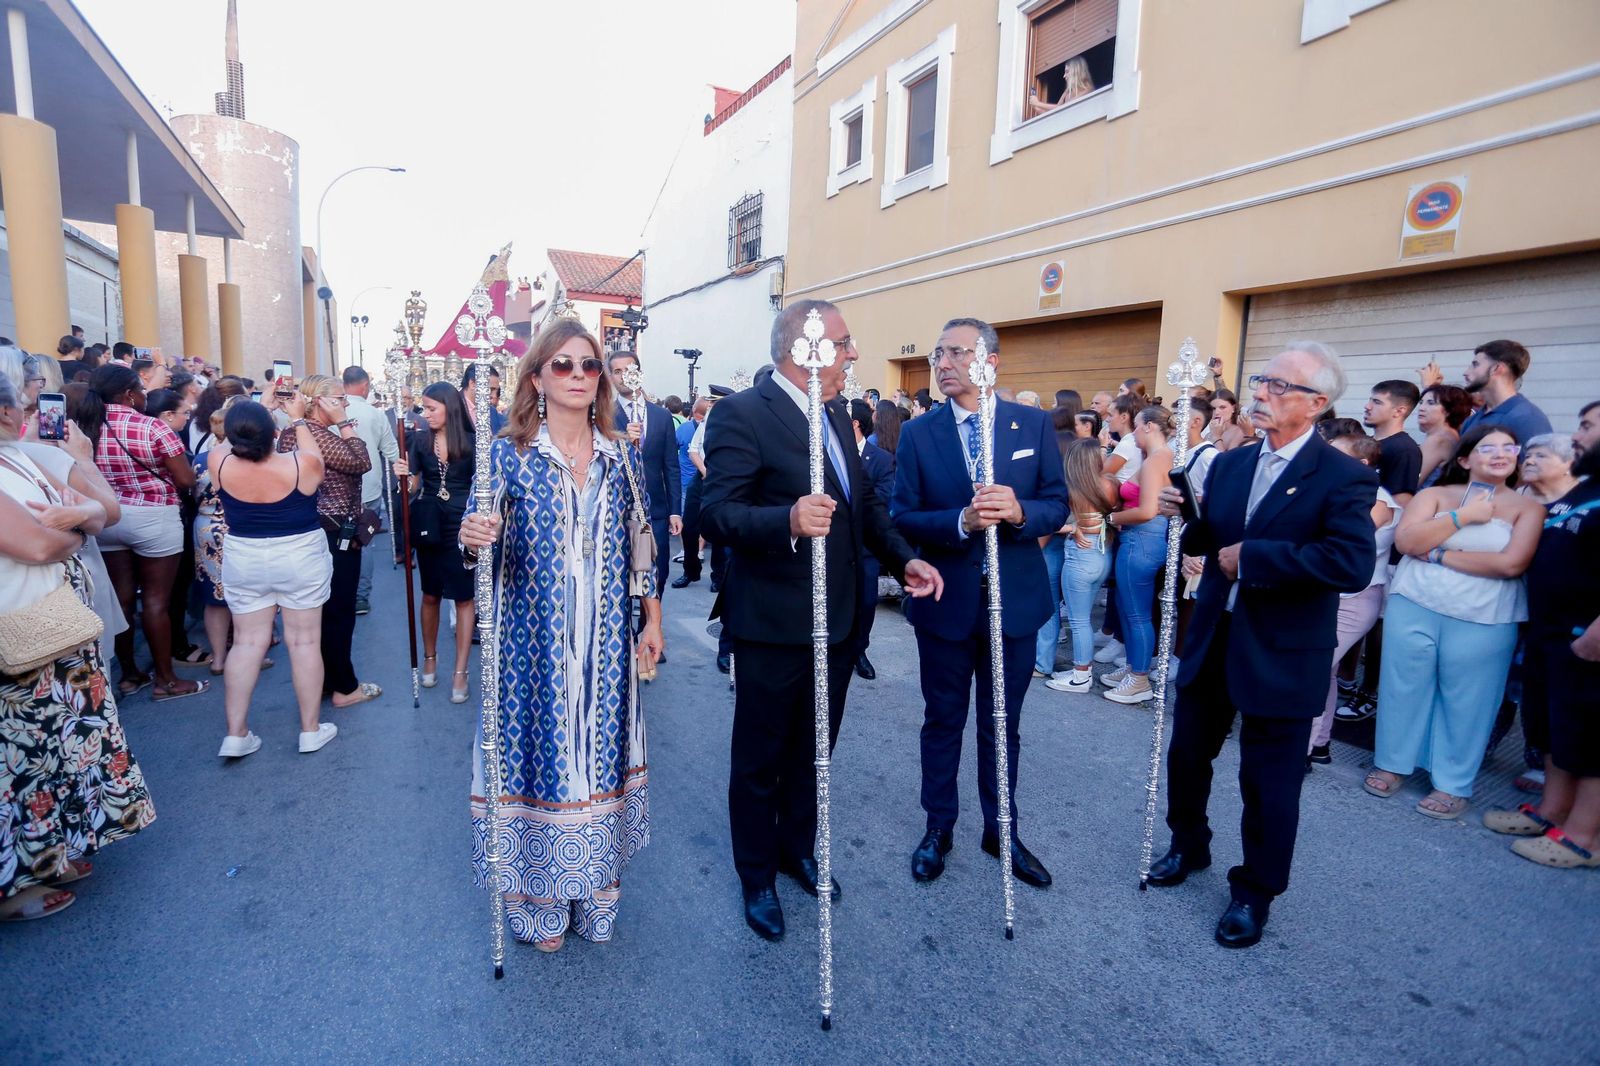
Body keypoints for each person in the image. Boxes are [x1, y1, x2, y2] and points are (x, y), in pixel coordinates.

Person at [701, 300, 938, 941]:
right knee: (760, 758)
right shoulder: (742, 414)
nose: (853, 353)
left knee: (815, 750)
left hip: (839, 621)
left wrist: (905, 560)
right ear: (800, 348)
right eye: (844, 342)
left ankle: (796, 849)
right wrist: (785, 519)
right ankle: (756, 876)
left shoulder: (834, 413)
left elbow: (864, 507)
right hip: (773, 623)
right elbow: (715, 513)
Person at [1148, 341, 1377, 949]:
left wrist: (1255, 558)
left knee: (1269, 781)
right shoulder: (1233, 463)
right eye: (1261, 382)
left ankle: (1255, 891)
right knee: (1187, 755)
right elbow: (1212, 538)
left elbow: (1350, 564)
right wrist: (1184, 516)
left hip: (1282, 650)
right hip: (1215, 635)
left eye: (1279, 386)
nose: (1261, 394)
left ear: (1317, 403)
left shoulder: (1345, 477)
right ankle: (1188, 844)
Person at [457, 318, 664, 951]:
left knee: (600, 756)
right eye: (564, 365)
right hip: (531, 645)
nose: (578, 375)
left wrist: (653, 619)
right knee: (539, 760)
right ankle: (540, 903)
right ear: (537, 378)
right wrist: (474, 537)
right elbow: (476, 543)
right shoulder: (506, 454)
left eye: (589, 365)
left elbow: (640, 543)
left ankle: (595, 892)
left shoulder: (621, 456)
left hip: (607, 642)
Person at [893, 316, 1067, 890]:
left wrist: (1019, 513)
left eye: (956, 353)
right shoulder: (920, 433)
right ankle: (938, 827)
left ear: (990, 361)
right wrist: (960, 521)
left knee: (1002, 723)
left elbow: (1057, 503)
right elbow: (903, 515)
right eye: (938, 354)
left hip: (1013, 603)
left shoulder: (1031, 424)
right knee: (943, 720)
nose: (943, 364)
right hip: (946, 601)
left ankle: (1002, 830)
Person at [0, 368, 154, 923]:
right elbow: (40, 545)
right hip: (19, 627)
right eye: (20, 402)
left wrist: (73, 520)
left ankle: (47, 855)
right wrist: (74, 529)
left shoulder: (18, 457)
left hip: (58, 625)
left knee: (53, 751)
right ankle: (15, 881)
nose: (26, 412)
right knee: (19, 760)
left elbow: (99, 511)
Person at [1365, 426, 1542, 818]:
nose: (1500, 454)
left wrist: (1439, 554)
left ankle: (1452, 783)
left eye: (1509, 447)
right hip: (1415, 602)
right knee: (1403, 687)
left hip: (1486, 615)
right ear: (1465, 458)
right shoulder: (1434, 495)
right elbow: (1408, 542)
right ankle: (1391, 763)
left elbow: (1510, 564)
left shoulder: (1527, 507)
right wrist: (1463, 517)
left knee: (1471, 700)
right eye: (1488, 447)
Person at [1483, 402, 1600, 868]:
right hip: (1551, 634)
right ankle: (1553, 812)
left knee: (1591, 741)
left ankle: (1584, 838)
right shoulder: (1585, 487)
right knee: (1556, 731)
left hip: (1587, 638)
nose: (1577, 435)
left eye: (1587, 426)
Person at [211, 400, 336, 756]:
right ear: (272, 433)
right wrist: (297, 418)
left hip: (245, 555)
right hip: (299, 553)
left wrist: (253, 408)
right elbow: (315, 455)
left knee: (247, 643)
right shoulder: (299, 464)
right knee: (304, 642)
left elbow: (228, 438)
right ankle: (310, 730)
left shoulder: (219, 461)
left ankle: (236, 734)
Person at [89, 365, 207, 701]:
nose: (144, 395)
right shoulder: (152, 426)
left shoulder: (87, 425)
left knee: (122, 600)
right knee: (156, 600)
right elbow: (185, 479)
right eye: (140, 390)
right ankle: (166, 680)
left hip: (107, 517)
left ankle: (129, 674)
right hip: (154, 516)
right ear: (129, 395)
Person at [277, 374, 380, 709]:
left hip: (314, 530)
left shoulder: (295, 432)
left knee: (320, 612)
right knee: (338, 610)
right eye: (339, 398)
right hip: (333, 532)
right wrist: (345, 423)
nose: (345, 403)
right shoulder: (314, 434)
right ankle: (344, 687)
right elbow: (361, 461)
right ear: (318, 401)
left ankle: (324, 680)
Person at [1305, 429, 1399, 767]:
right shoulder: (1337, 491)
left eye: (1335, 454)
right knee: (1323, 671)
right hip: (1329, 594)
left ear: (1362, 463)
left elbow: (1339, 541)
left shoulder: (1379, 500)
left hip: (1355, 599)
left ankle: (1300, 749)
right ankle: (1319, 743)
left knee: (1311, 669)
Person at [394, 381, 476, 702]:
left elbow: (482, 486)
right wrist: (403, 477)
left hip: (462, 523)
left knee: (463, 597)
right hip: (429, 520)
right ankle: (429, 657)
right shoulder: (418, 440)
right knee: (430, 594)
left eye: (431, 408)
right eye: (424, 408)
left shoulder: (472, 441)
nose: (425, 414)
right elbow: (413, 488)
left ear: (449, 408)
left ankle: (460, 671)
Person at [1099, 406, 1174, 704]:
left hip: (1142, 539)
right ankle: (1134, 668)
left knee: (1136, 612)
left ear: (1149, 427)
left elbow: (1147, 510)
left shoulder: (1157, 459)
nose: (1133, 433)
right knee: (1128, 607)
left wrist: (1111, 519)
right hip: (1141, 538)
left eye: (1137, 426)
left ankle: (1140, 678)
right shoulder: (1157, 457)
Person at [608, 351, 682, 611]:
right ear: (610, 377)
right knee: (619, 575)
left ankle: (649, 626)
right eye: (617, 371)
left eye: (628, 370)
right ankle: (623, 627)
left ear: (638, 372)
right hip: (615, 509)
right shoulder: (603, 415)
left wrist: (675, 510)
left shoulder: (661, 416)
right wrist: (621, 440)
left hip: (655, 510)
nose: (623, 376)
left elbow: (671, 466)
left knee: (657, 572)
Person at [1044, 438, 1116, 693]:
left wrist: (1072, 527)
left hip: (1080, 554)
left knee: (1079, 620)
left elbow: (1048, 521)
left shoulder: (1071, 489)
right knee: (1082, 619)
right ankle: (1082, 671)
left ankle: (1081, 675)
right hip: (1103, 552)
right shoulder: (1111, 484)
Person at [342, 366, 399, 616]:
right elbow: (391, 450)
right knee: (364, 542)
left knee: (339, 541)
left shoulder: (332, 410)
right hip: (369, 487)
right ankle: (361, 597)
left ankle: (341, 592)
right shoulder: (375, 414)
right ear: (364, 386)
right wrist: (403, 475)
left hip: (338, 489)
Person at [850, 397, 896, 680]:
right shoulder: (826, 454)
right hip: (833, 545)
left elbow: (882, 497)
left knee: (866, 603)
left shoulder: (881, 458)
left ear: (855, 424)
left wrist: (847, 503)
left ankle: (859, 650)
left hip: (866, 546)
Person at [1456, 339, 1553, 442]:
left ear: (1496, 368)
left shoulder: (1528, 419)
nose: (1466, 372)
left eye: (1475, 364)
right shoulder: (1473, 420)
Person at [1362, 379, 1422, 505]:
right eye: (1370, 400)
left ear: (1399, 411)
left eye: (1377, 402)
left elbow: (1400, 502)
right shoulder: (1365, 443)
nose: (1367, 406)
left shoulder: (1404, 450)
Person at [1416, 383, 1473, 489]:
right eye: (1421, 402)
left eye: (1431, 403)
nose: (1421, 408)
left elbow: (1412, 481)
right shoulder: (1450, 435)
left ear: (1448, 411)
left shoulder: (1439, 440)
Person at [459, 362, 508, 437]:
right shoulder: (453, 406)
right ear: (472, 384)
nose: (494, 395)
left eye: (496, 390)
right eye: (491, 389)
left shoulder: (492, 412)